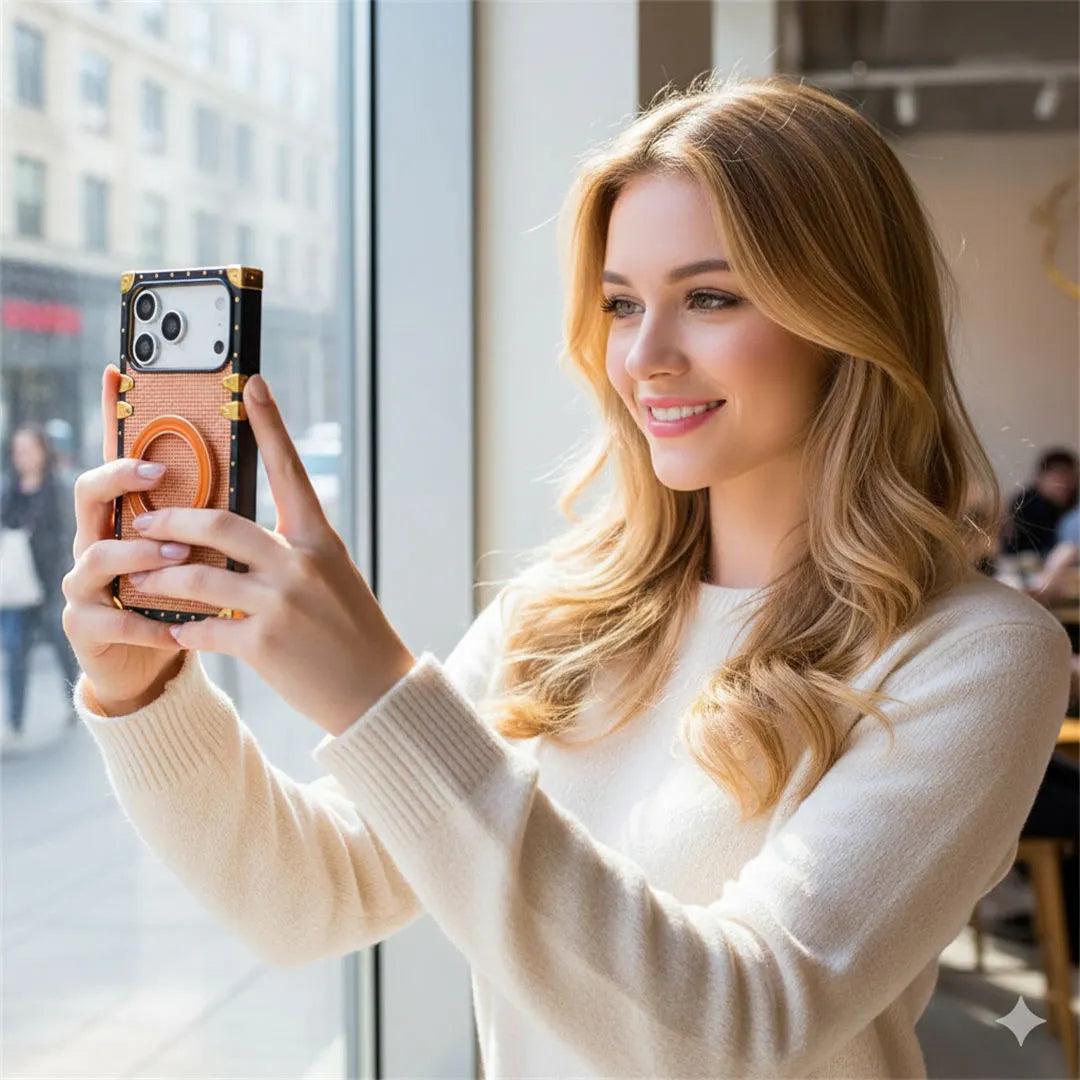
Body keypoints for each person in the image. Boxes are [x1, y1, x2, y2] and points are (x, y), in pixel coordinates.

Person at [60, 74, 1073, 1079]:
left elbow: (742, 1024)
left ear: (846, 315)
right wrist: (141, 689)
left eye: (709, 297)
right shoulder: (564, 609)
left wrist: (374, 693)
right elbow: (313, 898)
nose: (645, 356)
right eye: (622, 303)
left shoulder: (979, 657)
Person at [1, 422, 80, 753]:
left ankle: (75, 697)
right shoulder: (9, 492)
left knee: (62, 644)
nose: (23, 457)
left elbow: (69, 534)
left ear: (43, 452)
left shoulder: (58, 489)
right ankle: (14, 723)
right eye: (18, 451)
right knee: (15, 649)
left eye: (28, 450)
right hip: (18, 587)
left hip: (50, 583)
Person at [999, 447, 1079, 560]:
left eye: (1070, 478)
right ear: (1041, 478)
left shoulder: (1072, 503)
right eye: (1060, 478)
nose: (1066, 485)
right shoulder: (1026, 502)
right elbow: (1015, 549)